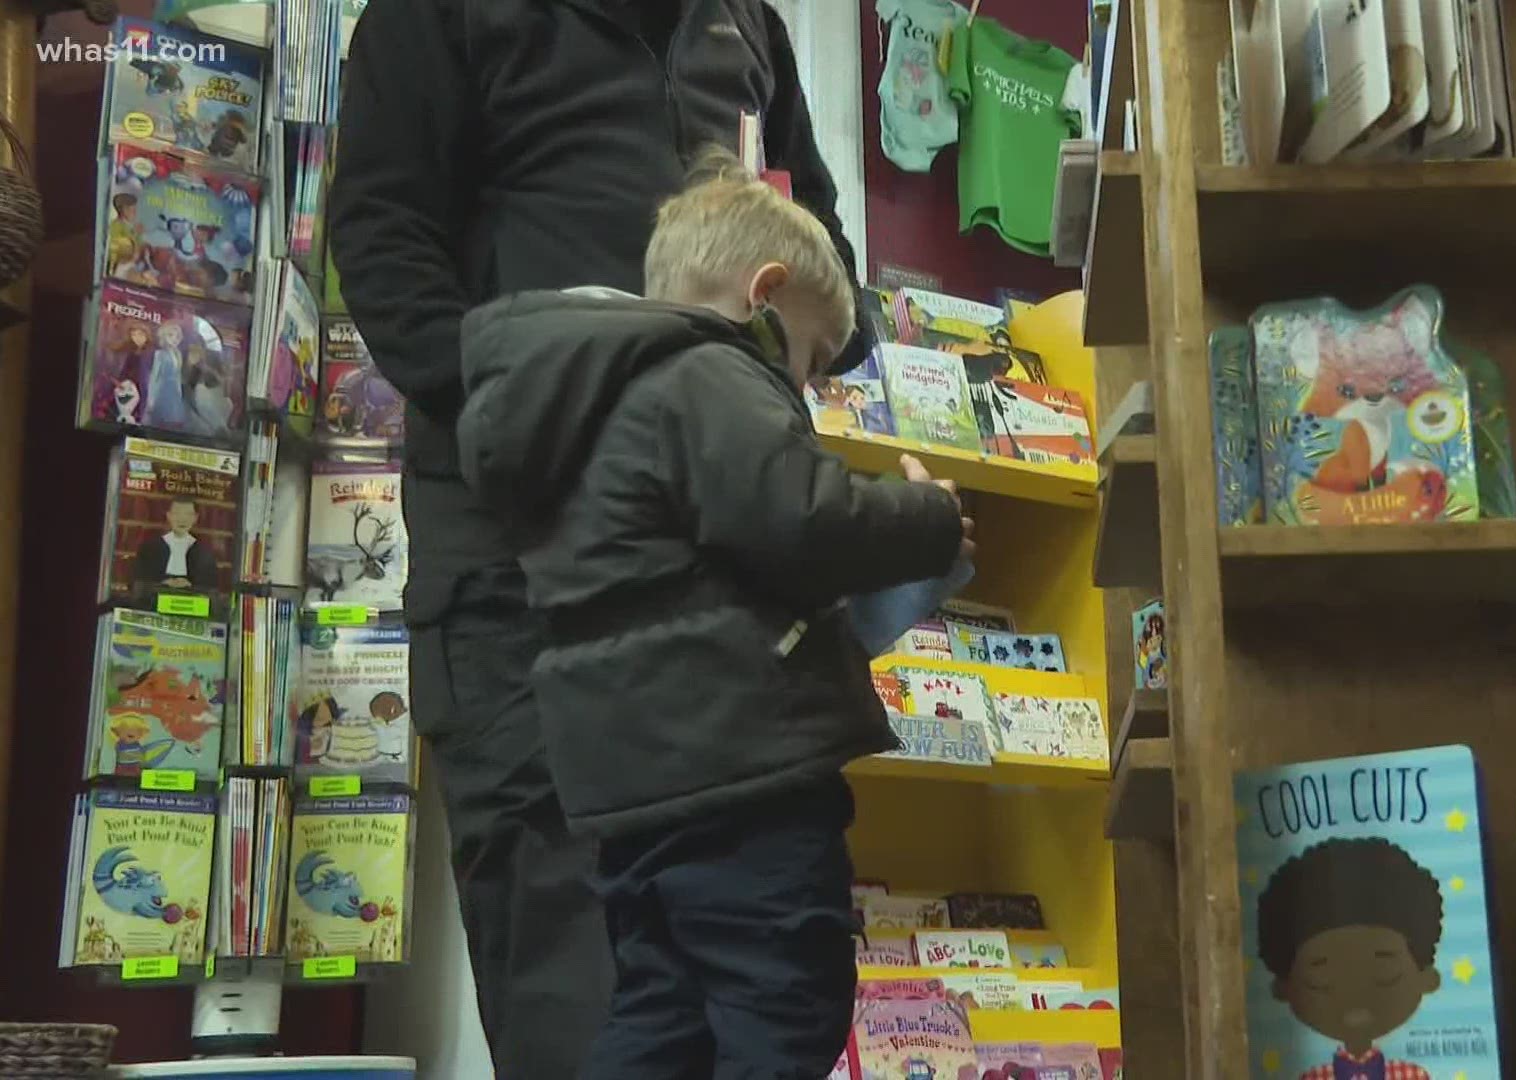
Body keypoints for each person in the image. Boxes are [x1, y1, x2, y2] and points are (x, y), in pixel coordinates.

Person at [328, 3, 872, 1073]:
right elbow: (385, 251)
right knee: (583, 1009)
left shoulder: (748, 26)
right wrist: (566, 406)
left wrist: (777, 376)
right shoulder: (438, 16)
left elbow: (829, 258)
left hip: (730, 614)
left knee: (772, 997)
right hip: (527, 587)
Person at [454, 154, 969, 1078]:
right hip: (741, 773)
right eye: (807, 361)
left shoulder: (578, 410)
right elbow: (799, 515)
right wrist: (926, 518)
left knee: (662, 1010)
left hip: (630, 793)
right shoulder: (709, 370)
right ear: (762, 294)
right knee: (785, 1002)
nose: (801, 393)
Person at [1254, 837, 1444, 1080]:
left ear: (1427, 977)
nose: (1353, 990)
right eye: (1320, 970)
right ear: (1283, 987)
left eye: (1384, 964)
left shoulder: (1413, 1076)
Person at [132, 497, 219, 592]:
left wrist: (190, 586)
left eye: (188, 514)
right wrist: (163, 583)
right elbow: (138, 584)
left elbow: (210, 589)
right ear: (168, 516)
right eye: (177, 513)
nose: (182, 519)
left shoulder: (204, 553)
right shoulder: (149, 549)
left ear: (195, 518)